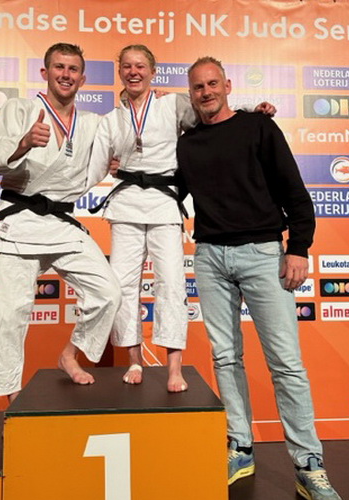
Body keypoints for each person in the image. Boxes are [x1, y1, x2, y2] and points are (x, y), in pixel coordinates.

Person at [176, 57, 344, 500]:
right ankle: (241, 446)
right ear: (190, 94)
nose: (206, 92)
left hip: (264, 253)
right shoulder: (186, 144)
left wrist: (299, 248)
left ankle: (309, 465)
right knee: (225, 358)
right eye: (198, 87)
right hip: (209, 256)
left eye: (213, 83)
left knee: (286, 363)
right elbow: (169, 190)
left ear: (228, 85)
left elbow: (295, 191)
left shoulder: (259, 127)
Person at [88, 44, 275, 392]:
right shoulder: (110, 120)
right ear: (120, 72)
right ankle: (134, 359)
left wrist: (253, 110)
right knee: (123, 284)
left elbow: (212, 113)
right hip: (126, 204)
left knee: (172, 283)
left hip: (164, 202)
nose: (133, 72)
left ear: (152, 71)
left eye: (140, 66)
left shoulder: (172, 104)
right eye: (127, 66)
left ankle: (174, 367)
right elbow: (94, 167)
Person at [0, 43, 121, 402]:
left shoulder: (92, 124)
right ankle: (11, 402)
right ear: (45, 73)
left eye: (73, 69)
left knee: (107, 292)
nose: (65, 75)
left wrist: (156, 106)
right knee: (7, 317)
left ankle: (70, 354)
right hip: (19, 220)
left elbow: (127, 135)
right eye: (59, 67)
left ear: (82, 78)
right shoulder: (20, 110)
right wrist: (23, 143)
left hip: (61, 221)